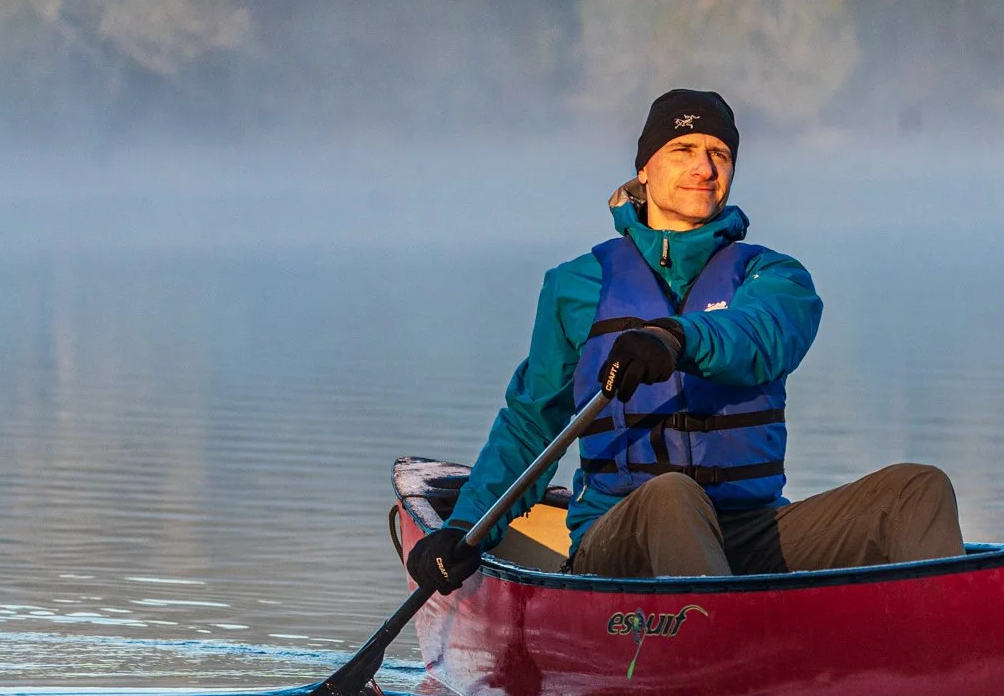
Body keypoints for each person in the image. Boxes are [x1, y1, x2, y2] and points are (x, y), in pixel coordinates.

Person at [407, 89, 964, 593]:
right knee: (672, 494)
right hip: (620, 538)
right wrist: (465, 528)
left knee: (918, 490)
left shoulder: (774, 275)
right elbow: (532, 424)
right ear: (644, 169)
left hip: (748, 532)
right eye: (683, 150)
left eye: (719, 154)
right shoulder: (576, 285)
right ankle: (721, 649)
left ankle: (953, 647)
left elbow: (762, 335)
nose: (704, 167)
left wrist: (676, 336)